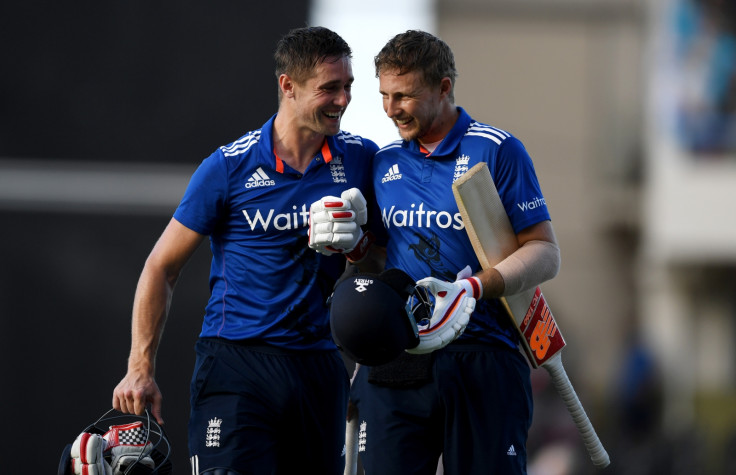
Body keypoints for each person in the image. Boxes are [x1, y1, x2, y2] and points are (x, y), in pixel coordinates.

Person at [111, 26, 380, 475]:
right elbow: (161, 266)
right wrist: (140, 366)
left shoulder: (362, 160)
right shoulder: (228, 166)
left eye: (348, 87)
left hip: (317, 365)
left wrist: (360, 247)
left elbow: (383, 265)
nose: (343, 100)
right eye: (329, 88)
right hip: (236, 365)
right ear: (288, 86)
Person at [332, 30, 561, 475]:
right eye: (384, 95)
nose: (391, 109)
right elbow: (377, 260)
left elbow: (545, 253)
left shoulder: (497, 150)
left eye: (405, 96)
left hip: (484, 355)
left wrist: (472, 289)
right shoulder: (383, 162)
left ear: (443, 86)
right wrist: (353, 244)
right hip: (399, 357)